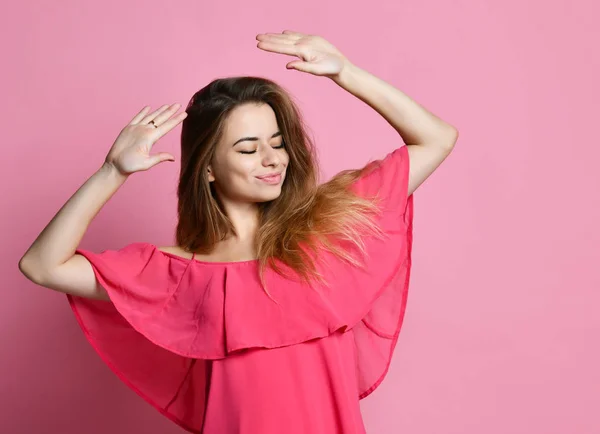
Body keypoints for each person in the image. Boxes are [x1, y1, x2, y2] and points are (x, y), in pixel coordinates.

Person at [19, 31, 458, 434]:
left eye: (277, 142)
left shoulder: (328, 235)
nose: (272, 159)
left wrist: (346, 71)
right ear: (208, 167)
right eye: (248, 148)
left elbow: (436, 138)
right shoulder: (179, 276)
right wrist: (111, 172)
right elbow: (42, 265)